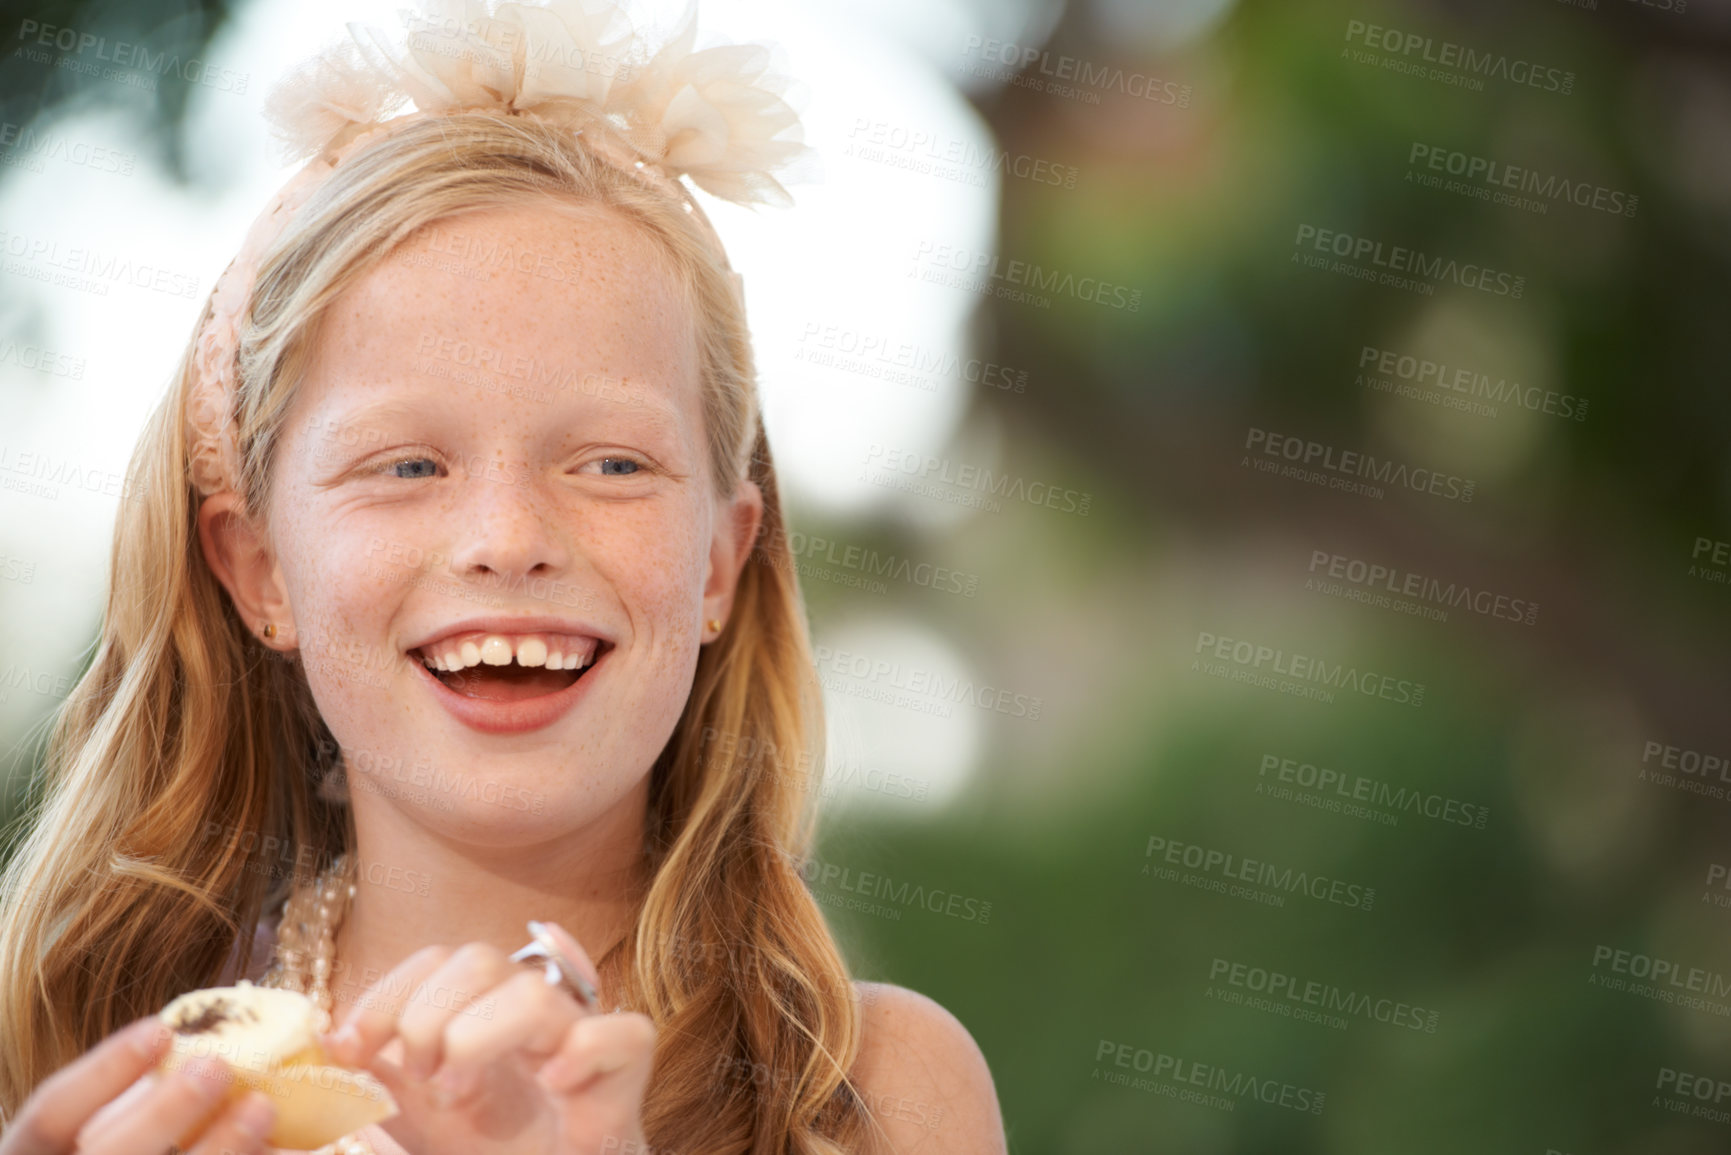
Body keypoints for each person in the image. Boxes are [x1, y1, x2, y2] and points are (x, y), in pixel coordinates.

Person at [0, 3, 1007, 1152]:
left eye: (613, 462)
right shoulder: (101, 1067)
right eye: (408, 464)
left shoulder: (868, 1089)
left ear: (723, 560)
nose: (508, 534)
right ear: (259, 570)